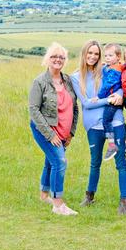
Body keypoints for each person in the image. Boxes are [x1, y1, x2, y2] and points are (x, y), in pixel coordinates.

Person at [71, 40, 126, 215]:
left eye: (96, 54)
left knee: (121, 162)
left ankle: (124, 200)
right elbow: (87, 104)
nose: (92, 56)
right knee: (95, 162)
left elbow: (119, 87)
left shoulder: (106, 70)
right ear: (84, 54)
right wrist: (109, 100)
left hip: (116, 121)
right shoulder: (75, 77)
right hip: (93, 125)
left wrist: (119, 95)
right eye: (89, 53)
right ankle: (89, 196)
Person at [29, 42, 79, 216]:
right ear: (47, 59)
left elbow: (75, 106)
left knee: (51, 161)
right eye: (54, 56)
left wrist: (71, 132)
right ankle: (58, 205)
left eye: (61, 57)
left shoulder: (68, 81)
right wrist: (50, 135)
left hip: (64, 131)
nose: (58, 60)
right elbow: (33, 110)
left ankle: (44, 195)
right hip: (45, 130)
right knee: (60, 162)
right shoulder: (39, 82)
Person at [96, 43, 123, 161]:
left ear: (118, 57)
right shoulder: (114, 66)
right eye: (105, 55)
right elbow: (105, 70)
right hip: (115, 98)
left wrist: (100, 97)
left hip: (112, 99)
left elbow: (107, 85)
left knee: (106, 120)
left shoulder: (114, 71)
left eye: (110, 55)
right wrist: (103, 66)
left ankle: (111, 145)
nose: (107, 58)